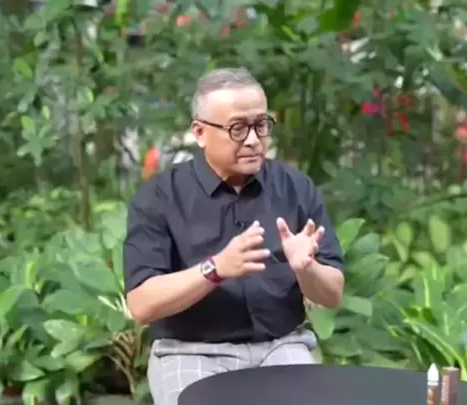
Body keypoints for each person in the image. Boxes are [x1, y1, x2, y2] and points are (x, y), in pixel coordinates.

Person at [122, 68, 345, 405]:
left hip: (280, 346)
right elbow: (141, 305)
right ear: (200, 132)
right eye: (238, 128)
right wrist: (215, 269)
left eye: (261, 125)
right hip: (190, 351)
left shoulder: (295, 188)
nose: (254, 139)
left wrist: (306, 269)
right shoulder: (160, 197)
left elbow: (333, 294)